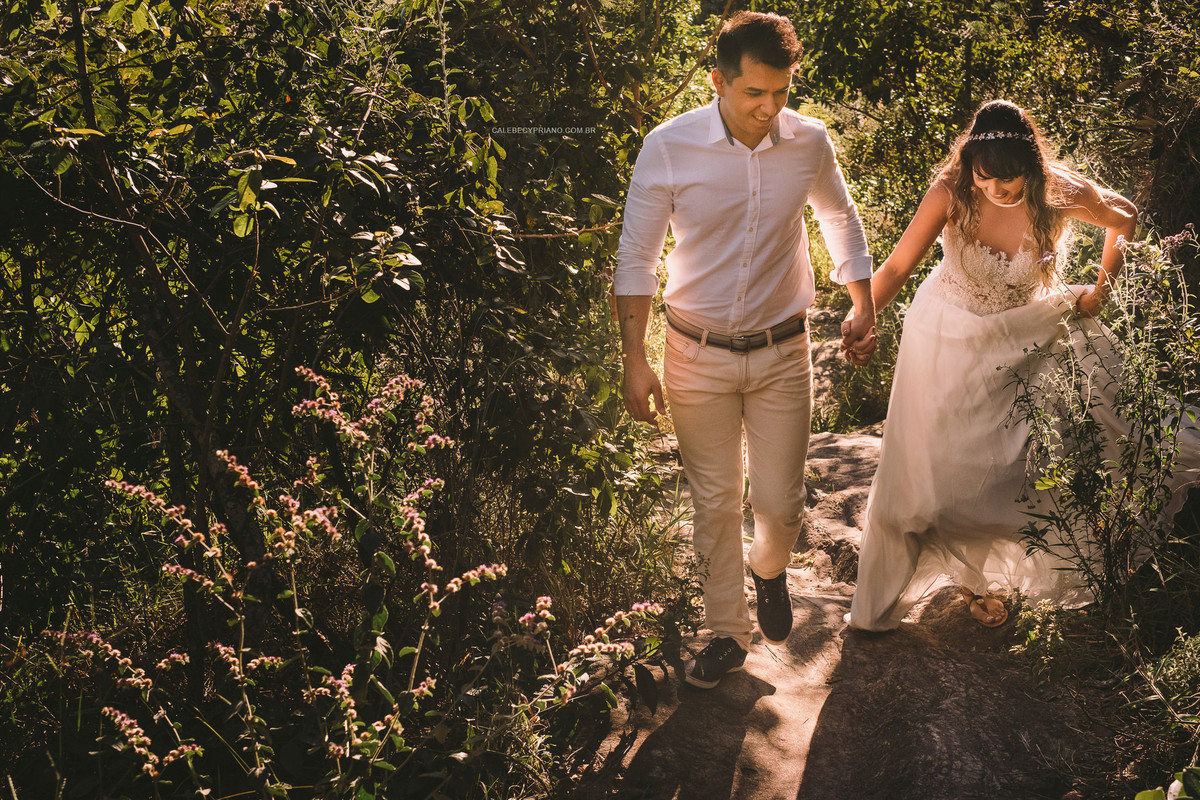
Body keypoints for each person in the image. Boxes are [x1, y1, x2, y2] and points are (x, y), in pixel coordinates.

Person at [847, 99, 1198, 631]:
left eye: (1007, 183)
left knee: (1011, 470)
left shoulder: (1056, 190)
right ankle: (963, 585)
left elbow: (1123, 215)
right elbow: (898, 264)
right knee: (931, 467)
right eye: (985, 180)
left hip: (1023, 339)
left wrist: (1100, 293)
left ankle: (988, 577)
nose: (995, 191)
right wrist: (863, 314)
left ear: (1031, 168)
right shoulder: (951, 190)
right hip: (947, 337)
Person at [614, 11, 876, 688]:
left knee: (782, 506)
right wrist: (634, 357)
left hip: (783, 351)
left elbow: (838, 217)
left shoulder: (808, 142)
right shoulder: (669, 147)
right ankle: (725, 633)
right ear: (718, 83)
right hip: (693, 351)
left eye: (781, 93)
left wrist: (862, 300)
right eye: (755, 93)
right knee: (715, 499)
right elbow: (637, 258)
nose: (769, 108)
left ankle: (770, 566)